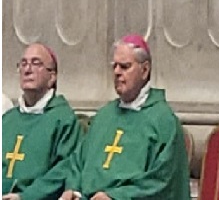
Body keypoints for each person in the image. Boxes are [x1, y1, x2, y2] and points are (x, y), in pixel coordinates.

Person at [60, 35, 190, 200]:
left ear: (145, 70)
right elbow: (77, 162)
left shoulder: (164, 122)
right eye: (114, 66)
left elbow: (163, 182)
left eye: (124, 66)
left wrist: (116, 196)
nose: (116, 72)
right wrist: (72, 189)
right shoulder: (103, 116)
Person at [2, 44, 82, 200]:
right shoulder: (7, 119)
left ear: (52, 77)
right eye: (23, 64)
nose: (27, 69)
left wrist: (26, 196)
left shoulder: (64, 119)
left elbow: (65, 168)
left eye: (36, 63)